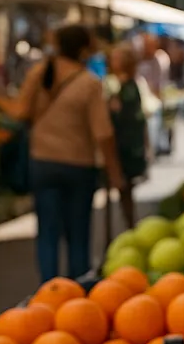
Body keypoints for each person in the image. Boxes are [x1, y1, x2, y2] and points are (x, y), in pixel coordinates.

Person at [14, 24, 124, 281]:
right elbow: (103, 133)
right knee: (78, 236)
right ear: (84, 50)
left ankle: (50, 290)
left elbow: (21, 112)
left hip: (43, 162)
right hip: (78, 166)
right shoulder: (89, 83)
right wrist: (115, 172)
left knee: (47, 234)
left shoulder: (39, 73)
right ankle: (77, 290)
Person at [106, 45, 148, 232]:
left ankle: (130, 226)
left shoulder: (127, 87)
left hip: (124, 145)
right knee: (124, 191)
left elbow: (125, 116)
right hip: (127, 143)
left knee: (124, 188)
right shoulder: (125, 85)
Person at [135, 34, 170, 157]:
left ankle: (151, 153)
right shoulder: (139, 59)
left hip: (152, 100)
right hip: (141, 99)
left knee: (152, 129)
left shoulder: (159, 59)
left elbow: (158, 82)